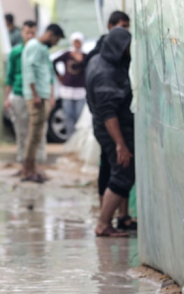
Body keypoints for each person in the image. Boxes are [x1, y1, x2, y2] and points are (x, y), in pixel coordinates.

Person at [86, 10, 135, 230]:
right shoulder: (105, 72)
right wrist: (120, 144)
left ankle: (112, 220)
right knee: (122, 173)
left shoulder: (99, 60)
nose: (128, 50)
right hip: (112, 129)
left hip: (105, 125)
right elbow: (108, 112)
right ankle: (103, 223)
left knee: (118, 171)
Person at [21, 23, 65, 183]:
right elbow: (29, 70)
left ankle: (32, 168)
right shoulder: (34, 46)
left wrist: (49, 95)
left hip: (42, 95)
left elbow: (47, 73)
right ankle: (27, 170)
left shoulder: (42, 48)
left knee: (37, 135)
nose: (56, 43)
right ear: (51, 35)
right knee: (33, 135)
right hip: (36, 97)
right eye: (57, 39)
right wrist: (35, 95)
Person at [4, 20, 43, 164]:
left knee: (37, 130)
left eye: (33, 33)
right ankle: (22, 159)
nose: (30, 36)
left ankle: (36, 159)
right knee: (21, 130)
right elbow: (9, 76)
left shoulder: (40, 50)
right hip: (19, 94)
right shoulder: (15, 52)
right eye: (27, 33)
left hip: (36, 96)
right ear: (22, 33)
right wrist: (6, 98)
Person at [54, 32, 87, 138]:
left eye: (79, 42)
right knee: (68, 116)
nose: (77, 44)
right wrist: (59, 75)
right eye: (75, 42)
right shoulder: (67, 54)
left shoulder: (85, 56)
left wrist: (80, 60)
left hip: (81, 91)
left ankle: (78, 140)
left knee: (79, 117)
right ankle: (70, 139)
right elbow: (54, 62)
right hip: (67, 90)